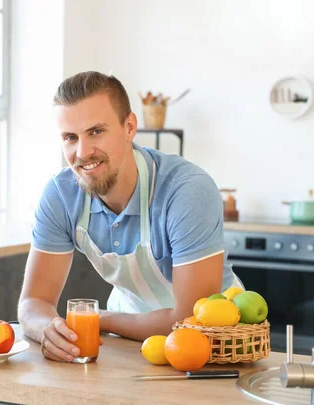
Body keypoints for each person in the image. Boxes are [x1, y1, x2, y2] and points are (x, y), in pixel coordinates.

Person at [17, 71, 243, 363]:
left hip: (211, 347)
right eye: (70, 137)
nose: (82, 152)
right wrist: (48, 329)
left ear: (130, 127)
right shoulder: (61, 194)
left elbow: (189, 321)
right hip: (127, 343)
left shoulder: (186, 190)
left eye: (96, 131)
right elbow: (33, 302)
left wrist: (104, 319)